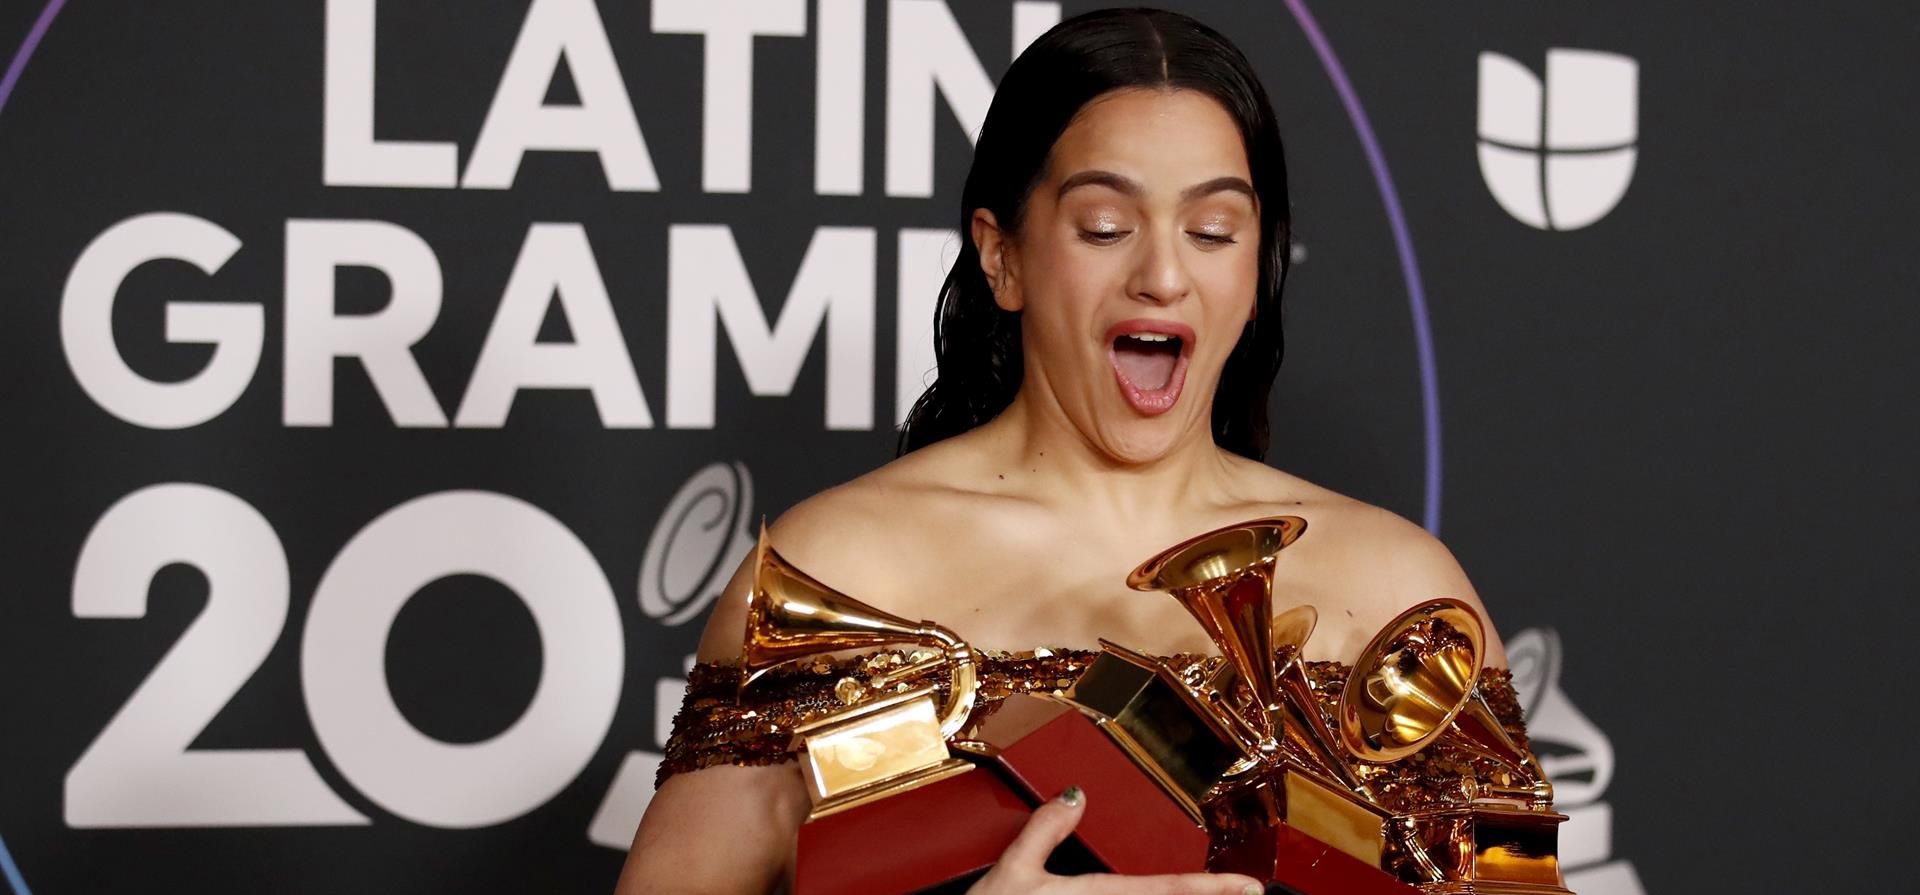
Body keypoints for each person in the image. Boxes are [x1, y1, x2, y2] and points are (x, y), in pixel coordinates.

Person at [616, 8, 1520, 894]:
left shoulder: (1403, 590)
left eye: (1213, 231)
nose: (1163, 275)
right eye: (1103, 226)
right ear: (1001, 257)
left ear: (1258, 274)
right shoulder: (836, 572)